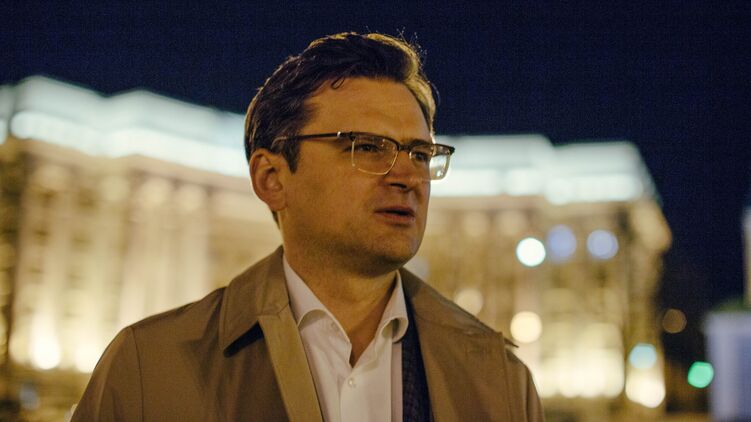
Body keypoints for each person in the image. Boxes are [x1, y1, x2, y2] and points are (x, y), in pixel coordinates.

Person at [73, 32, 544, 421]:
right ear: (271, 179)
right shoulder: (149, 368)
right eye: (367, 147)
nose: (407, 176)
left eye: (420, 154)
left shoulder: (500, 380)